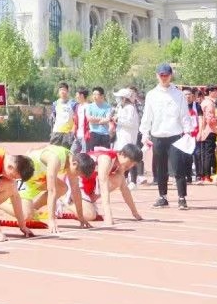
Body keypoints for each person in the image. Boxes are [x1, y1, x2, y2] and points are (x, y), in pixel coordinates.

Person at [6, 144, 97, 233]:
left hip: (38, 179)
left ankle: (34, 208)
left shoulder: (72, 160)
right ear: (74, 164)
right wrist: (51, 220)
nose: (76, 176)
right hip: (24, 177)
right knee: (26, 215)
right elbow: (52, 191)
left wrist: (81, 217)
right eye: (77, 174)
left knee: (62, 188)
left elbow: (76, 190)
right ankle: (1, 202)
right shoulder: (55, 159)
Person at [139, 63, 193, 209]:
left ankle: (182, 197)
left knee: (178, 167)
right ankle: (162, 196)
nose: (164, 78)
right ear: (157, 76)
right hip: (158, 136)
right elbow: (147, 116)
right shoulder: (151, 95)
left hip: (175, 135)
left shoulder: (178, 94)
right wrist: (145, 133)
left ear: (171, 76)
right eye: (161, 75)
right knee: (160, 169)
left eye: (166, 75)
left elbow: (184, 114)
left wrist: (187, 131)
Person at [81, 145, 145, 226]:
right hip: (78, 184)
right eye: (130, 161)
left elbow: (125, 189)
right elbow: (103, 187)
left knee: (119, 178)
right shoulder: (106, 159)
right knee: (90, 215)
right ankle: (67, 205)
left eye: (134, 164)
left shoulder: (120, 164)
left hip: (89, 185)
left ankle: (88, 201)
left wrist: (135, 212)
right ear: (122, 154)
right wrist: (108, 216)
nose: (130, 166)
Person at [50, 83, 75, 147]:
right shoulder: (55, 104)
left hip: (68, 133)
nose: (62, 92)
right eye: (61, 90)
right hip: (57, 132)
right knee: (54, 150)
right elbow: (53, 118)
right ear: (58, 92)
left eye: (64, 90)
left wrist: (73, 130)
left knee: (67, 151)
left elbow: (76, 118)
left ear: (67, 91)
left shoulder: (73, 104)